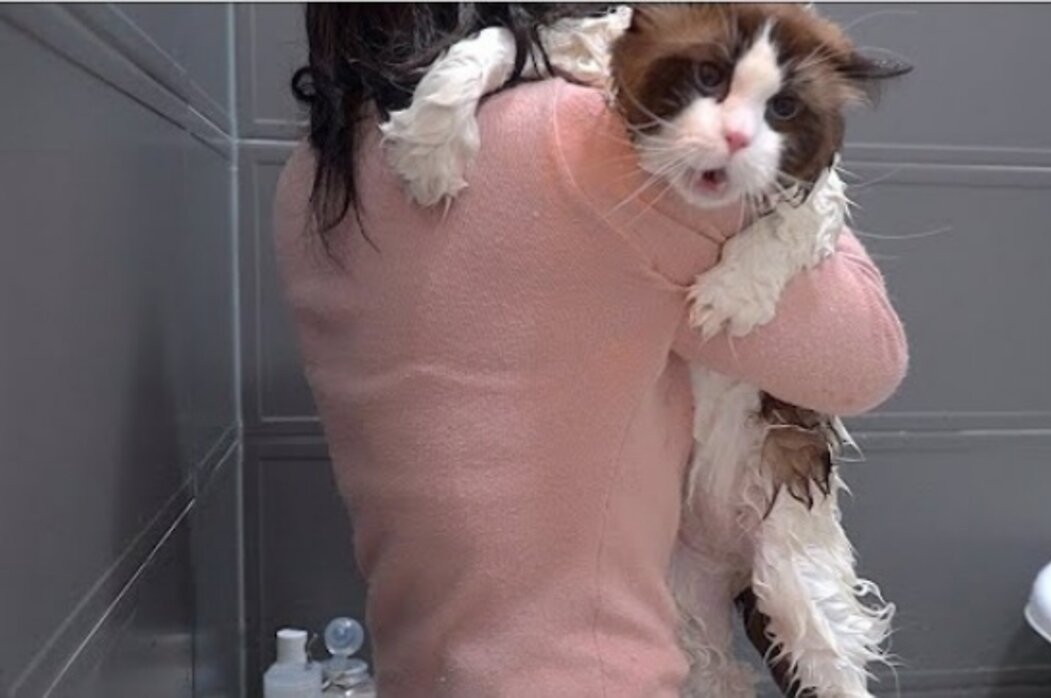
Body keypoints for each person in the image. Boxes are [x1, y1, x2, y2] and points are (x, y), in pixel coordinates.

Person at [274, 4, 909, 696]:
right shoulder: (587, 144)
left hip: (418, 670)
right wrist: (813, 171)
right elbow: (866, 358)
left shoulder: (309, 181)